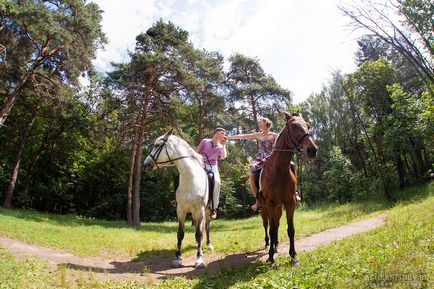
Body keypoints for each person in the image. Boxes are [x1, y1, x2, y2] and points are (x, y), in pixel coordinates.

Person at [227, 117, 278, 211]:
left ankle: (294, 192)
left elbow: (282, 143)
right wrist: (228, 138)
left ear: (266, 123)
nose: (259, 124)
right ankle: (257, 200)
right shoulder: (258, 135)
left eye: (261, 122)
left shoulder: (274, 135)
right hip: (260, 157)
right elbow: (243, 136)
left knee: (289, 165)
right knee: (251, 173)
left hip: (272, 155)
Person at [196, 128, 228, 219]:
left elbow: (223, 157)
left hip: (212, 166)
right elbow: (197, 152)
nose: (224, 135)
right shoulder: (205, 141)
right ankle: (178, 199)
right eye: (222, 133)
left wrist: (224, 145)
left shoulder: (220, 146)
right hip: (201, 163)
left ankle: (213, 207)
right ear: (216, 133)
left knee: (217, 183)